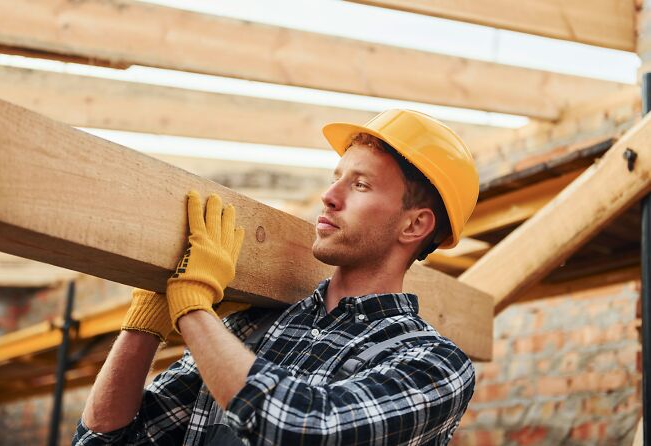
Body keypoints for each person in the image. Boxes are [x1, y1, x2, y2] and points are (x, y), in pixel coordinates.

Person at [73, 109, 480, 445]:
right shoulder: (249, 328)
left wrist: (193, 307)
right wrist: (150, 317)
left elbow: (302, 429)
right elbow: (105, 440)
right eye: (335, 177)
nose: (330, 195)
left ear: (414, 226)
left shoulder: (434, 364)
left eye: (360, 184)